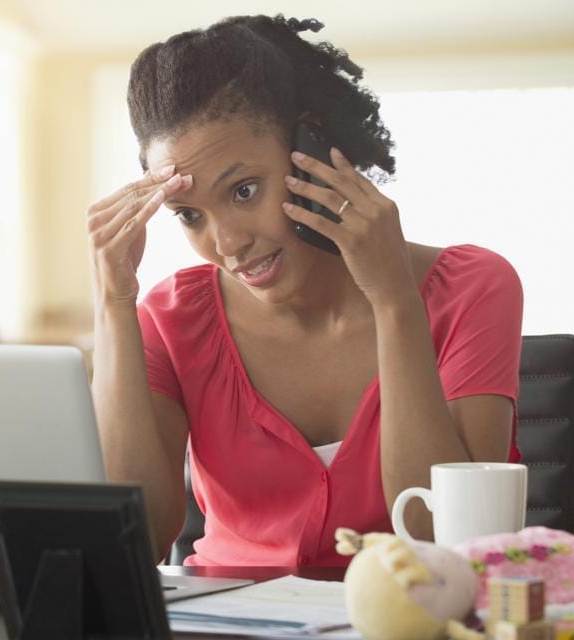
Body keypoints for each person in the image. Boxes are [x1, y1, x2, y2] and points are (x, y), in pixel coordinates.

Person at [87, 14, 523, 566]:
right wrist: (113, 304)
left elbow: (447, 543)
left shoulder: (471, 288)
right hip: (222, 612)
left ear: (311, 152)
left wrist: (394, 302)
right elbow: (134, 544)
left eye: (244, 191)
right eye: (189, 215)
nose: (227, 243)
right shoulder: (169, 320)